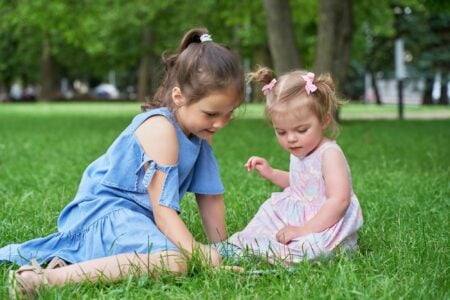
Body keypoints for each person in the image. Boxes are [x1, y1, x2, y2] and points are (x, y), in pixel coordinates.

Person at [1, 28, 245, 298]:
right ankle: (43, 279)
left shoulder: (200, 135)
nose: (220, 123)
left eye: (229, 114)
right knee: (174, 261)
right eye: (211, 113)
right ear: (179, 97)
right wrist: (198, 254)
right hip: (105, 214)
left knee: (176, 256)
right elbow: (163, 212)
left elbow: (209, 197)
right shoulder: (161, 129)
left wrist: (220, 249)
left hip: (134, 220)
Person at [224, 67, 363, 264]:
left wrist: (303, 230)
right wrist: (271, 173)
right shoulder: (300, 149)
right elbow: (302, 182)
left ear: (324, 120)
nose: (291, 139)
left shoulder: (330, 154)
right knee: (267, 215)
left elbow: (339, 201)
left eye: (301, 130)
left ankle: (285, 255)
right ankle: (244, 247)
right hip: (299, 214)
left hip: (326, 221)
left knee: (311, 247)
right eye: (281, 132)